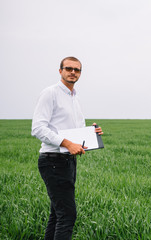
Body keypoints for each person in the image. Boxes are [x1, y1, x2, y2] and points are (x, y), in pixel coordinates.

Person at [32, 56, 103, 240]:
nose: (73, 72)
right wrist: (66, 143)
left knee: (58, 214)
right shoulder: (50, 93)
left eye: (77, 70)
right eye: (69, 68)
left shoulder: (75, 97)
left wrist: (92, 133)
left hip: (68, 161)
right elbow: (38, 128)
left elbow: (75, 132)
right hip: (52, 160)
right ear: (60, 71)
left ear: (80, 73)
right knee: (68, 215)